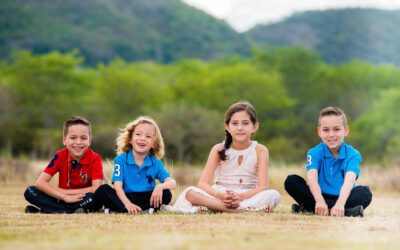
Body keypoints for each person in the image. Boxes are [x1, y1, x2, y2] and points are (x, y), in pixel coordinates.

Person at [166, 101, 280, 213]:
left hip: (247, 196)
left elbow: (262, 187)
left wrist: (239, 197)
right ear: (227, 127)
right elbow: (203, 184)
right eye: (235, 123)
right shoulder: (219, 149)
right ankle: (242, 210)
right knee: (190, 192)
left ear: (254, 127)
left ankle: (217, 208)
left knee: (273, 194)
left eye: (245, 123)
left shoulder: (260, 150)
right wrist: (222, 196)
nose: (240, 128)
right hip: (220, 195)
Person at [285, 107, 372, 217]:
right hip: (317, 196)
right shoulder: (314, 152)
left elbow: (349, 181)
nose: (331, 135)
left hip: (342, 197)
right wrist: (320, 201)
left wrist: (340, 204)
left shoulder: (353, 154)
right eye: (326, 130)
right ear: (319, 132)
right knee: (291, 181)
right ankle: (347, 212)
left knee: (365, 193)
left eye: (336, 129)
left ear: (346, 130)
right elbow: (312, 179)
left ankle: (310, 209)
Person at [93, 116, 176, 214]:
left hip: (145, 198)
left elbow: (172, 183)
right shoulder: (120, 160)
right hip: (124, 197)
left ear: (154, 143)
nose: (142, 138)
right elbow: (118, 186)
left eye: (148, 136)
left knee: (166, 193)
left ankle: (131, 210)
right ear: (130, 139)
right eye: (138, 134)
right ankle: (127, 209)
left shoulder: (155, 162)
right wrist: (128, 204)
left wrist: (160, 187)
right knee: (103, 190)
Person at [24, 116, 104, 213]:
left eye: (83, 138)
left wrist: (67, 192)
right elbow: (40, 183)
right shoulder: (60, 156)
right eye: (73, 138)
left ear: (89, 141)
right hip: (61, 199)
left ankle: (48, 210)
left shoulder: (95, 158)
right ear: (64, 140)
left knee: (93, 198)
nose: (78, 142)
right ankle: (69, 211)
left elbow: (96, 188)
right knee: (30, 191)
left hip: (82, 199)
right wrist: (64, 196)